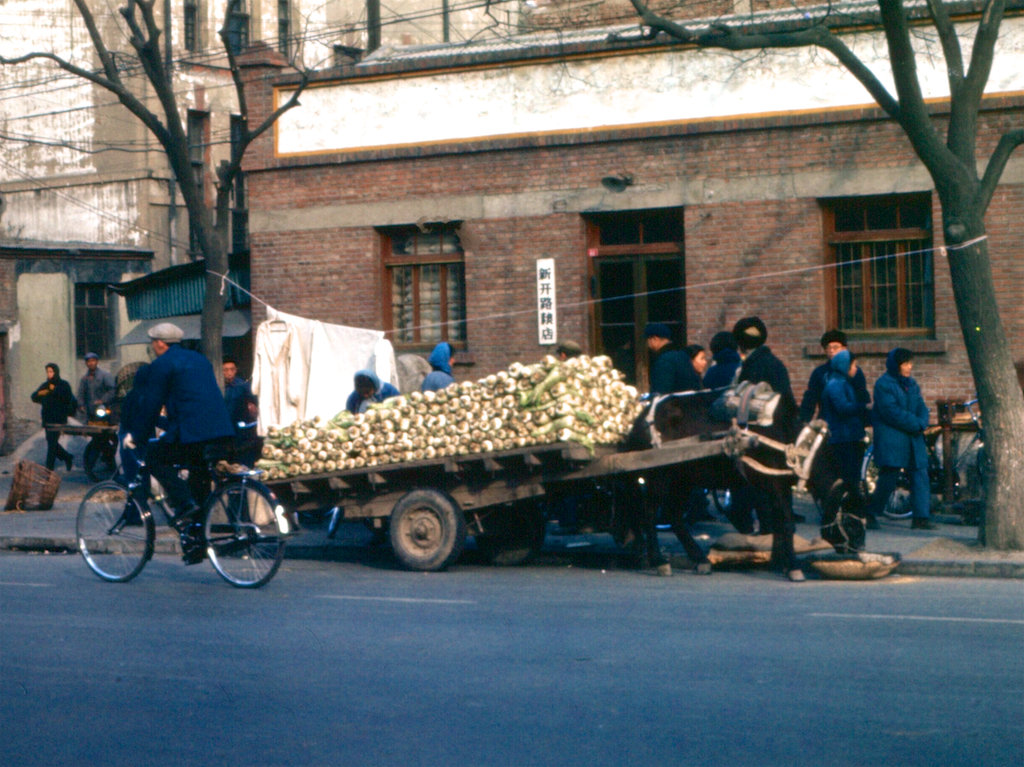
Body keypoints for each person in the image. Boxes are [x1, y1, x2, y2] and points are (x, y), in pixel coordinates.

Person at [126, 322, 236, 564]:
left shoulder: (162, 365)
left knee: (155, 458)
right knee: (199, 482)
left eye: (153, 343)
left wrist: (137, 436)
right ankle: (197, 543)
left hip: (193, 431)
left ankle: (183, 504)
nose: (153, 347)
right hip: (220, 429)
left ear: (159, 343)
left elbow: (151, 404)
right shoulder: (199, 359)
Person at [733, 316, 804, 581]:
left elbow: (741, 409)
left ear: (741, 345)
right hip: (781, 439)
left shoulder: (748, 369)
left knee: (764, 494)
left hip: (759, 444)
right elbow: (789, 403)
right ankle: (781, 554)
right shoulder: (776, 364)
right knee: (782, 497)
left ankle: (773, 543)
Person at [866, 348, 935, 530]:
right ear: (896, 365)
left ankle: (921, 517)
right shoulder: (883, 385)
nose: (909, 367)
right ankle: (871, 512)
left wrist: (922, 421)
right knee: (889, 478)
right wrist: (917, 423)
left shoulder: (912, 384)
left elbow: (921, 405)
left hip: (912, 437)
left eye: (910, 363)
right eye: (905, 363)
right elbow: (891, 412)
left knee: (920, 475)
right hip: (893, 438)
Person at [820, 349, 873, 529]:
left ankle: (851, 514)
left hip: (849, 436)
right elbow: (842, 408)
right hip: (843, 438)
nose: (856, 369)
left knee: (851, 478)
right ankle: (849, 515)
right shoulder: (836, 384)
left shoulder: (842, 382)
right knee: (848, 478)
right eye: (854, 365)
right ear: (845, 366)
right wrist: (864, 406)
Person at [799, 329, 868, 425]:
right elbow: (810, 399)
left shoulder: (854, 371)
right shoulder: (819, 373)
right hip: (827, 422)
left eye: (835, 347)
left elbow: (862, 396)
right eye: (828, 347)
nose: (831, 351)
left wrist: (866, 422)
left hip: (851, 422)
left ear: (844, 349)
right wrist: (804, 420)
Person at [77, 351, 118, 479]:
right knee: (99, 440)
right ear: (86, 364)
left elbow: (112, 390)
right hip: (91, 416)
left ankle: (98, 464)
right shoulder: (84, 379)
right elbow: (81, 394)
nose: (91, 363)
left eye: (93, 361)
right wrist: (81, 405)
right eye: (88, 361)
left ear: (97, 362)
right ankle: (107, 461)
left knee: (101, 439)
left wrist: (103, 400)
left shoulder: (105, 375)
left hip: (104, 414)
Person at [30, 363, 76, 471]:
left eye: (51, 371)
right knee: (51, 441)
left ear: (56, 372)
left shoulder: (63, 384)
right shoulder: (46, 385)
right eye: (47, 372)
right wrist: (44, 392)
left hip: (58, 419)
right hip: (48, 419)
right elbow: (34, 397)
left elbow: (67, 397)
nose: (49, 374)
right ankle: (67, 457)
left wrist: (53, 391)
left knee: (52, 444)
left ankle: (49, 470)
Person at [644, 322, 702, 395]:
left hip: (675, 404)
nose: (647, 345)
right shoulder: (683, 355)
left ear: (654, 339)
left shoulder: (664, 361)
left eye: (648, 341)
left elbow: (660, 392)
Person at [222, 356, 260, 466]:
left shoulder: (242, 385)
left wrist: (252, 406)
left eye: (232, 369)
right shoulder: (217, 385)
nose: (229, 373)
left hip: (240, 427)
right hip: (224, 426)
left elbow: (254, 399)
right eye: (226, 370)